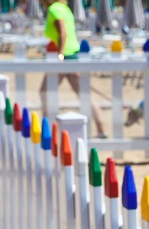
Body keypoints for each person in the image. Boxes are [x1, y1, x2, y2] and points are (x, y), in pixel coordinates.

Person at [38, 0, 108, 137]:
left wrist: (60, 54)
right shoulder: (65, 8)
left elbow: (62, 32)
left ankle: (47, 128)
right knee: (84, 94)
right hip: (72, 55)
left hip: (64, 56)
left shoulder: (54, 9)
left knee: (45, 92)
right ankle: (101, 127)